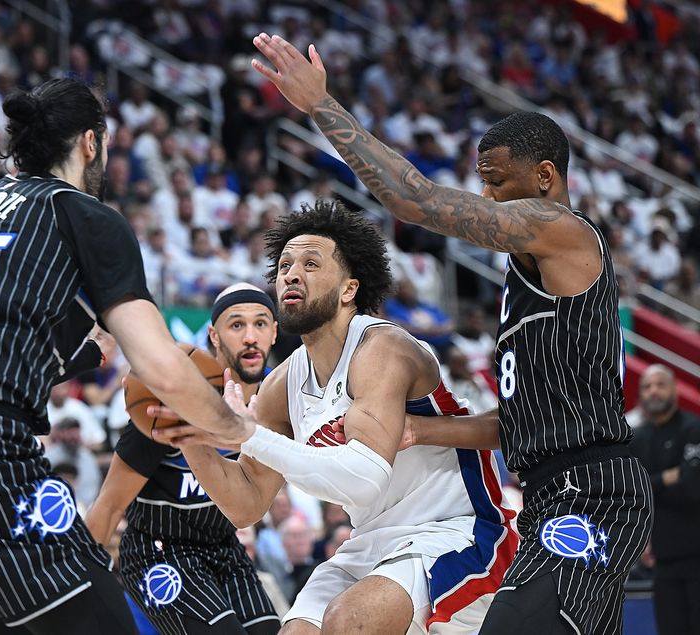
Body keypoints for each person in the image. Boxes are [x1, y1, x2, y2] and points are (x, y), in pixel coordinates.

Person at [249, 35, 652, 634]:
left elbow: (417, 199)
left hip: (593, 489)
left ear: (544, 178)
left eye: (496, 182)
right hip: (545, 489)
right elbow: (518, 421)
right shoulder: (529, 280)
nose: (486, 197)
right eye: (482, 182)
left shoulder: (563, 232)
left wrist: (321, 106)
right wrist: (420, 430)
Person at [0, 78, 249, 635]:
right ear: (91, 143)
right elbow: (160, 366)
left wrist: (81, 357)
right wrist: (237, 428)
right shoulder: (85, 213)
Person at [152, 202, 517, 635]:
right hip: (369, 541)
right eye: (284, 265)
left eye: (310, 264)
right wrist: (192, 435)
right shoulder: (281, 385)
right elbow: (246, 504)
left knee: (349, 621)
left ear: (348, 289)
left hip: (457, 532)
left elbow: (363, 479)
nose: (290, 274)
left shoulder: (382, 349)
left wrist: (245, 433)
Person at [85, 283, 282, 635]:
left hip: (224, 549)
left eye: (261, 324)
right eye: (237, 325)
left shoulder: (276, 404)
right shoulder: (173, 401)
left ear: (275, 332)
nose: (250, 336)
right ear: (214, 336)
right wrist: (71, 593)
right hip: (158, 553)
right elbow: (109, 508)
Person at [629, 364, 700, 635]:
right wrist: (666, 478)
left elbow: (692, 488)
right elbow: (634, 491)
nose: (653, 391)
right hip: (662, 562)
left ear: (674, 390)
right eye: (647, 386)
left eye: (660, 384)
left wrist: (652, 483)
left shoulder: (694, 429)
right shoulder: (637, 439)